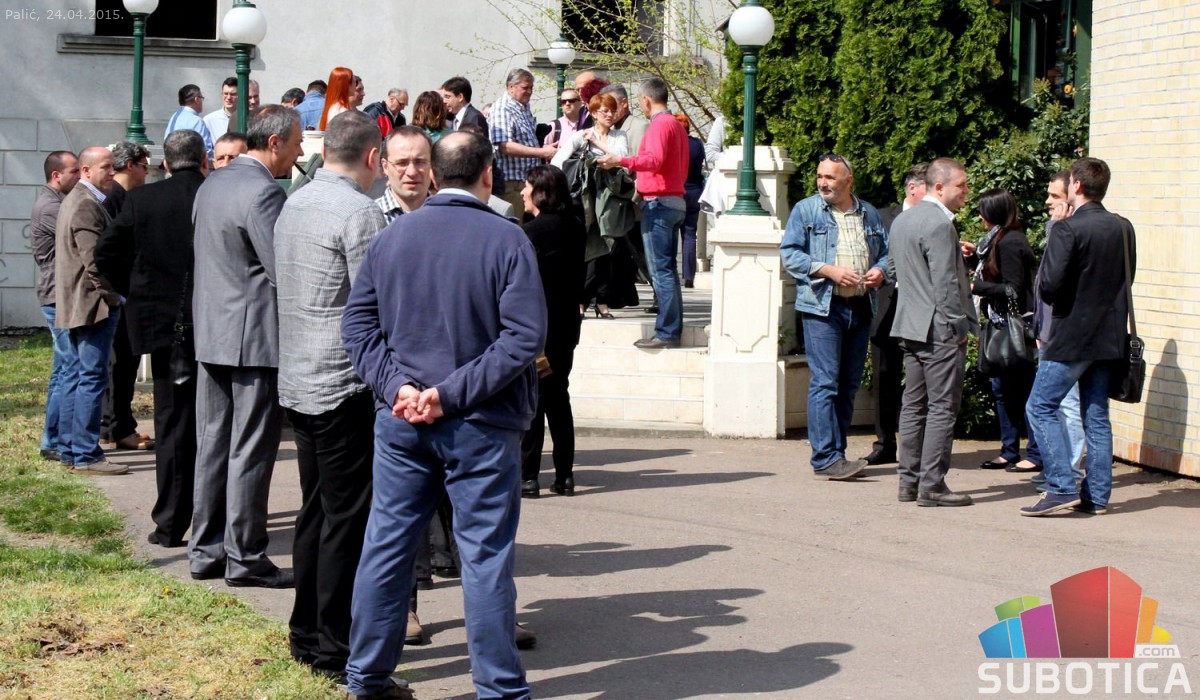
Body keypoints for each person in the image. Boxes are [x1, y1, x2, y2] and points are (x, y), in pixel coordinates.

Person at [342, 130, 545, 700]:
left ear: (434, 173)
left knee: (387, 546)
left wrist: (401, 388)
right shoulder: (507, 239)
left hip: (405, 419)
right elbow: (524, 337)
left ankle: (367, 678)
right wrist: (445, 395)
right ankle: (498, 690)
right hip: (480, 422)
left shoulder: (393, 237)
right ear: (489, 175)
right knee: (484, 556)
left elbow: (357, 326)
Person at [274, 110, 388, 683]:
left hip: (299, 376)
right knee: (344, 519)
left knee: (316, 510)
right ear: (372, 157)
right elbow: (376, 302)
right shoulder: (359, 211)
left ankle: (307, 634)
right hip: (342, 383)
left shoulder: (295, 201)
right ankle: (332, 647)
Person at [189, 105, 303, 587]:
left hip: (212, 331)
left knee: (213, 444)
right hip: (252, 337)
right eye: (296, 142)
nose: (299, 152)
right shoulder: (264, 191)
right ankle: (245, 557)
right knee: (251, 449)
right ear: (274, 143)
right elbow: (281, 270)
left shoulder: (213, 183)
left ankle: (206, 549)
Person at [100, 129, 208, 547]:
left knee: (174, 423)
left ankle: (170, 521)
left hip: (164, 323)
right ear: (203, 161)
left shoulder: (143, 200)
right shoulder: (212, 196)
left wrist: (136, 290)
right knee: (217, 425)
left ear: (165, 163)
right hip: (212, 321)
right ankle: (213, 518)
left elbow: (106, 253)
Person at [1021, 157, 1135, 517]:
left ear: (1077, 187)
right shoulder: (1123, 227)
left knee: (1039, 406)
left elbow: (1050, 286)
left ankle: (1060, 486)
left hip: (1072, 336)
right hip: (1109, 336)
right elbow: (1127, 278)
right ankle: (1096, 496)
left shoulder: (1067, 229)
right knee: (1096, 415)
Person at [780, 154, 889, 480]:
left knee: (848, 384)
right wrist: (828, 270)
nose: (823, 182)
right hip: (822, 307)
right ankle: (825, 457)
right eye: (820, 176)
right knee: (826, 382)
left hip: (860, 305)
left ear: (848, 181)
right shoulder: (807, 210)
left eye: (830, 177)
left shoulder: (868, 213)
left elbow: (886, 253)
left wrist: (879, 271)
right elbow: (790, 254)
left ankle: (837, 454)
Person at [888, 158, 977, 506]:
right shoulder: (940, 224)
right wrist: (958, 326)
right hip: (938, 329)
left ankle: (908, 483)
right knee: (941, 408)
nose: (966, 191)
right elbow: (946, 283)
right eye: (961, 185)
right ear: (939, 187)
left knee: (913, 406)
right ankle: (932, 486)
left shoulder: (903, 219)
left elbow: (893, 270)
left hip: (909, 325)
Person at [598, 78, 689, 349]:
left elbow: (654, 160)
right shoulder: (676, 124)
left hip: (659, 203)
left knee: (661, 271)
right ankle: (670, 329)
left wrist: (621, 160)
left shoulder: (660, 124)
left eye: (640, 101)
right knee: (667, 271)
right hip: (673, 200)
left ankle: (667, 332)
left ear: (646, 100)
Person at [53, 146, 127, 475]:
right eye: (106, 167)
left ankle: (71, 450)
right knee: (91, 378)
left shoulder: (80, 200)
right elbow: (94, 261)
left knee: (79, 377)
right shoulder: (85, 203)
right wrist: (113, 297)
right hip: (92, 307)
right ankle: (85, 454)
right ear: (86, 171)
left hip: (80, 304)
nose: (112, 172)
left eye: (113, 167)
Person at [519, 165, 587, 498]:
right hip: (565, 327)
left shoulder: (531, 233)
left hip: (535, 328)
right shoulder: (575, 226)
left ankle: (528, 475)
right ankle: (565, 474)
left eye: (527, 187)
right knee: (559, 397)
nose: (522, 192)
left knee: (533, 400)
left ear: (540, 192)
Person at [970, 189, 1041, 473]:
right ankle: (1009, 450)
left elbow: (1012, 288)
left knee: (1023, 391)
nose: (979, 217)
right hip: (1000, 325)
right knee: (1002, 390)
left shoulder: (1011, 242)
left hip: (1016, 328)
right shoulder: (996, 239)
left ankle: (1034, 453)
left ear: (995, 213)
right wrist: (972, 259)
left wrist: (977, 287)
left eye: (983, 211)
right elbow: (993, 271)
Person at [1029, 171, 1086, 492]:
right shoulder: (1060, 230)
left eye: (1055, 196)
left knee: (1065, 405)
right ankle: (1060, 467)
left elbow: (1055, 281)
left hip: (1063, 335)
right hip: (1049, 332)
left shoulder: (1069, 233)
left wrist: (1056, 229)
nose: (1048, 201)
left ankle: (1070, 471)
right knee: (1057, 405)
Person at [552, 92, 632, 319]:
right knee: (586, 248)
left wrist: (596, 142)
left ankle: (601, 300)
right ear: (594, 113)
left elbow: (623, 158)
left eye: (613, 110)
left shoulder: (618, 135)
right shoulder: (581, 135)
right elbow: (558, 161)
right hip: (586, 197)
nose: (609, 115)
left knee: (608, 247)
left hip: (610, 199)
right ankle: (583, 300)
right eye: (604, 111)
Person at [96, 141, 152, 454]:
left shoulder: (118, 198)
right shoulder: (117, 199)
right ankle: (117, 428)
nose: (147, 172)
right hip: (121, 295)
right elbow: (110, 250)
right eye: (144, 166)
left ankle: (113, 426)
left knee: (119, 364)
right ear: (131, 165)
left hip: (120, 294)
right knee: (122, 364)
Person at [870, 163, 927, 465]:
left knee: (921, 377)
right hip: (887, 306)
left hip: (921, 308)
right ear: (913, 189)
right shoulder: (882, 218)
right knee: (884, 374)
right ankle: (884, 443)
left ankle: (918, 447)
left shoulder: (939, 220)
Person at [31, 151, 80, 462]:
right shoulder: (51, 207)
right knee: (68, 369)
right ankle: (55, 440)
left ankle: (54, 438)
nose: (79, 176)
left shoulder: (58, 202)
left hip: (59, 295)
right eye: (74, 171)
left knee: (64, 368)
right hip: (56, 297)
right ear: (56, 175)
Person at [490, 68, 557, 218]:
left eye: (531, 87)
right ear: (511, 87)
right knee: (514, 225)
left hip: (525, 181)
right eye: (525, 88)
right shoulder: (503, 109)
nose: (529, 92)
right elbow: (505, 146)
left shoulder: (522, 107)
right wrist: (542, 152)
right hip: (511, 183)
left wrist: (542, 148)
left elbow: (525, 140)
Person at [376, 126, 434, 224]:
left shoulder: (451, 216)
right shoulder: (368, 218)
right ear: (385, 167)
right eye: (401, 163)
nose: (412, 172)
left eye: (420, 162)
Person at [676, 112, 704, 289]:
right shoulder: (697, 144)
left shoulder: (674, 144)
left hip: (676, 192)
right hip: (694, 192)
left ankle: (672, 271)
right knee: (689, 234)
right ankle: (688, 276)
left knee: (671, 233)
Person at [165, 84, 214, 159]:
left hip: (173, 162)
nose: (202, 101)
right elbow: (206, 150)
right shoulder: (197, 121)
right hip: (192, 163)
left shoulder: (174, 118)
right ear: (197, 99)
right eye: (201, 98)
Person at [600, 84, 649, 153]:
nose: (608, 111)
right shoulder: (609, 129)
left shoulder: (641, 127)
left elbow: (642, 158)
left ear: (624, 103)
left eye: (611, 104)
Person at [319, 67, 355, 131]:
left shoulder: (332, 107)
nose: (355, 85)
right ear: (346, 85)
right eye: (354, 82)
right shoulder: (342, 111)